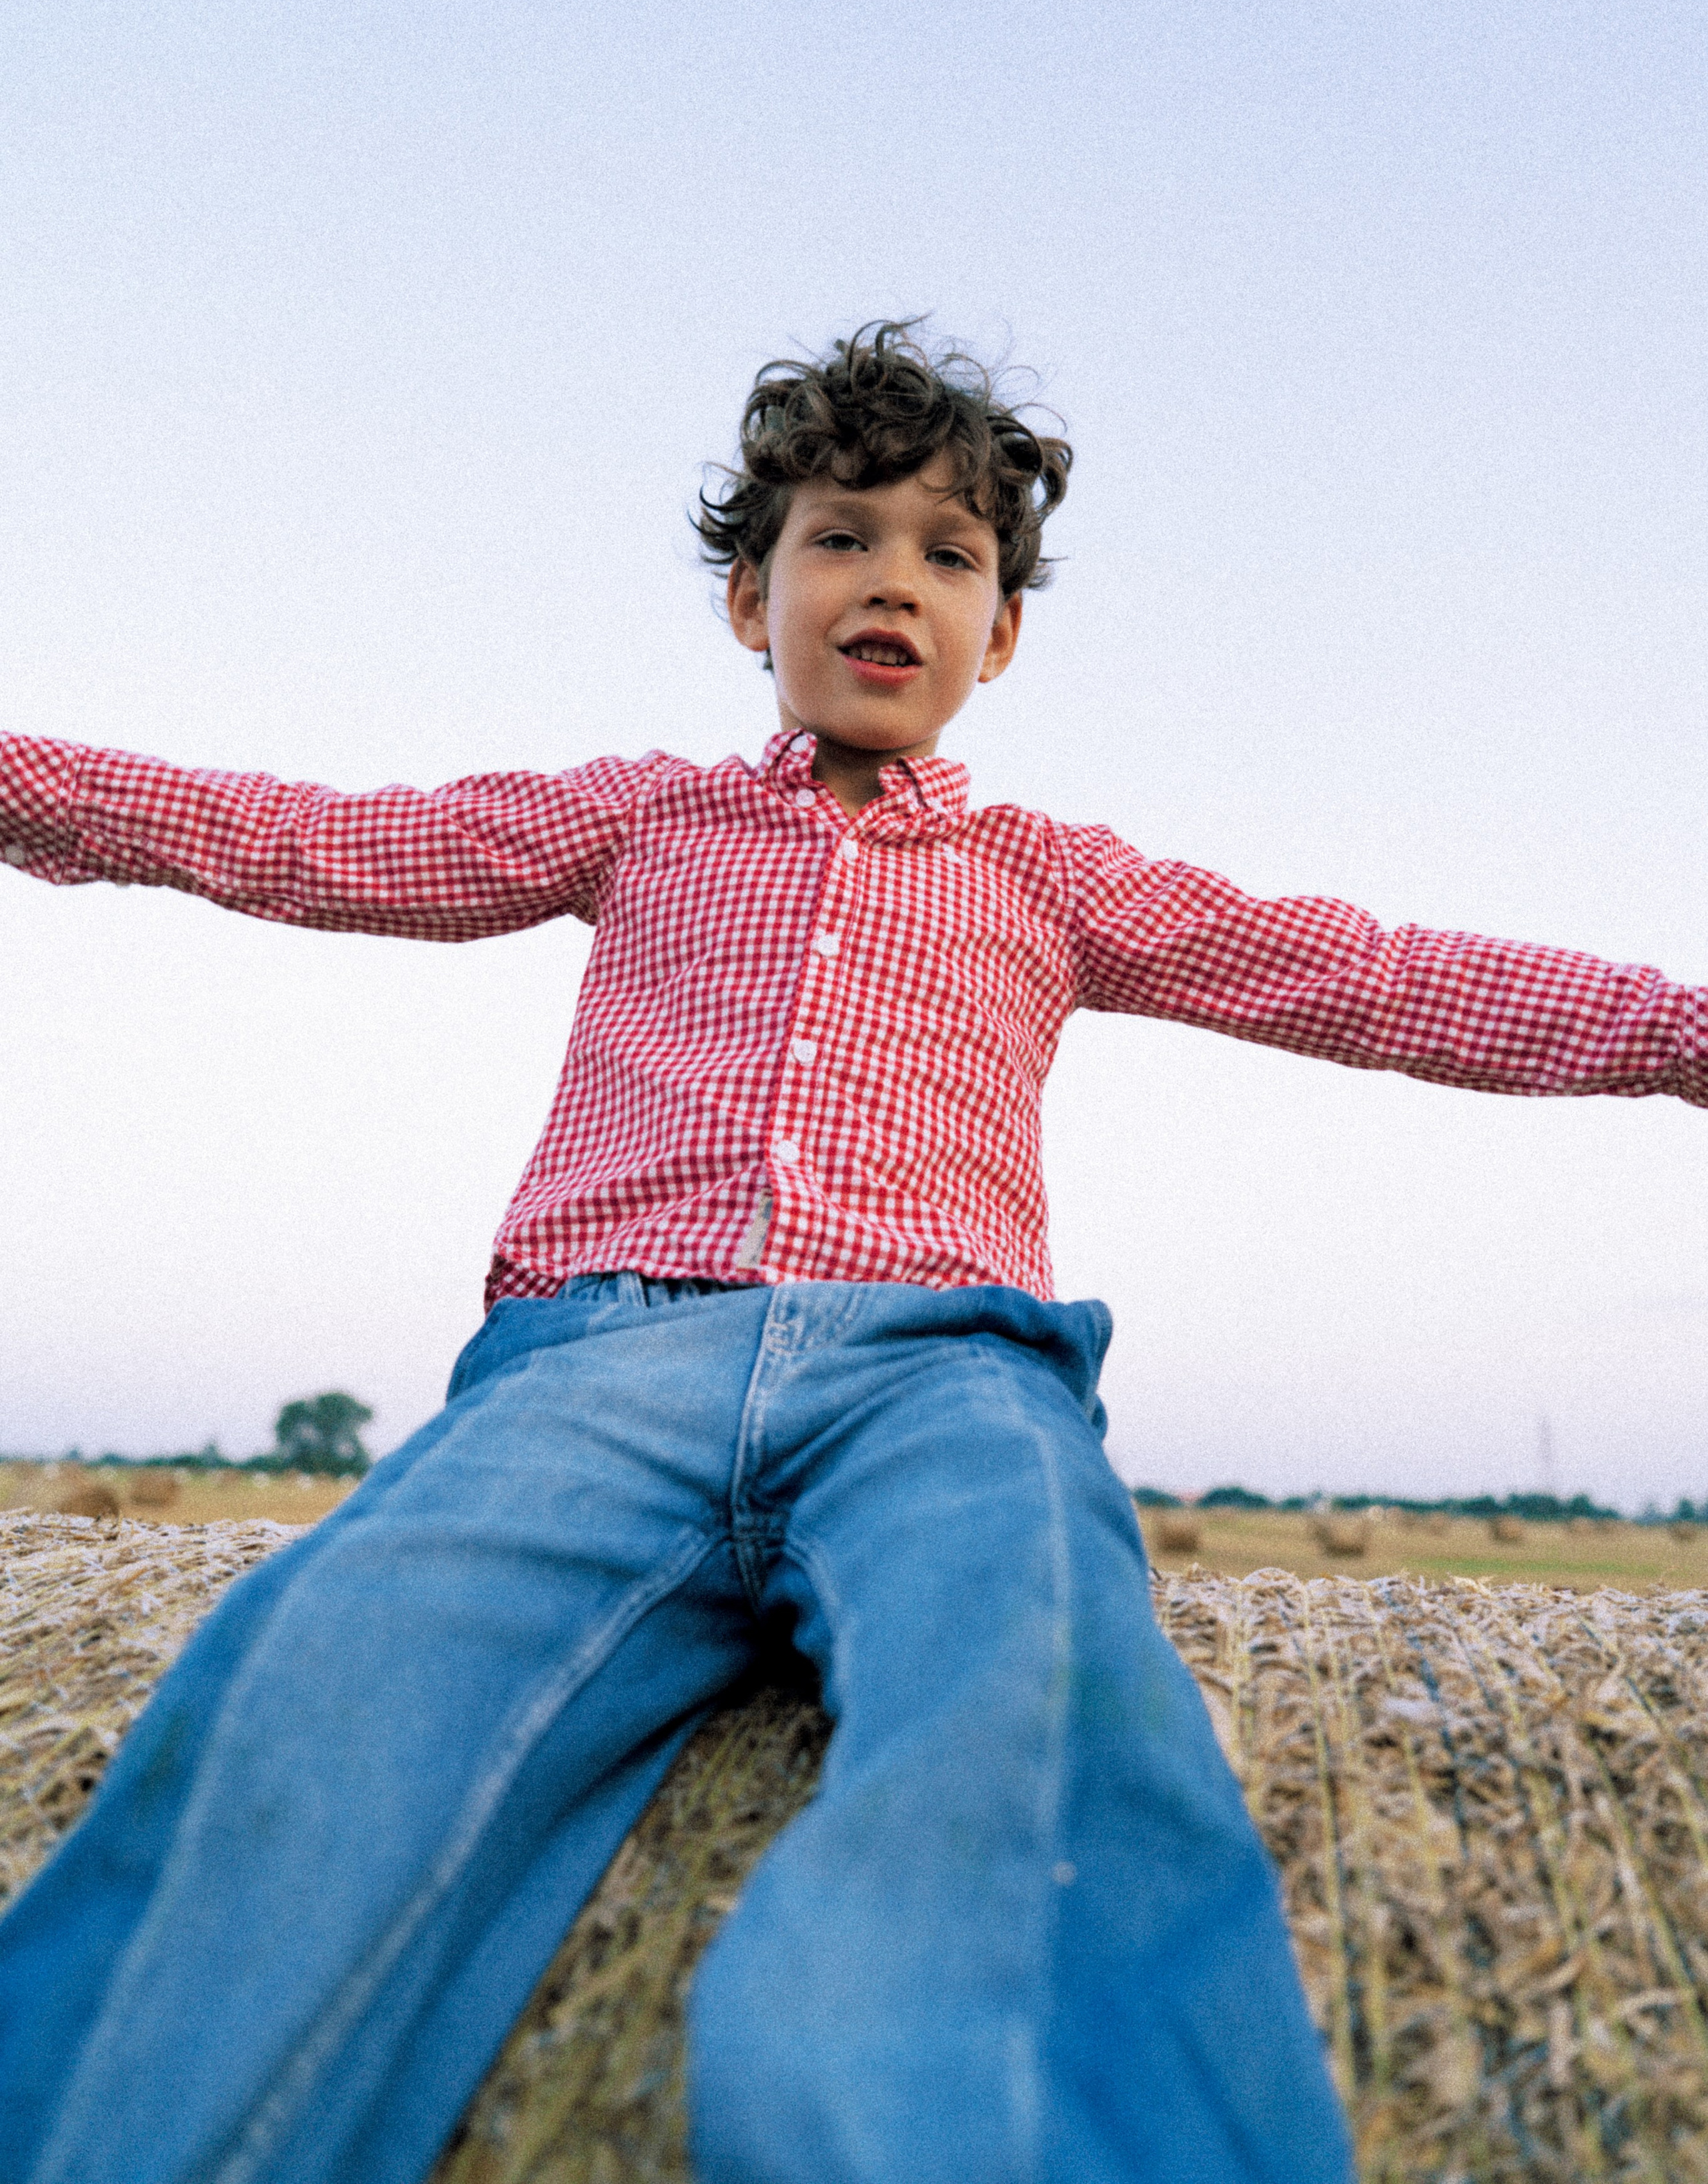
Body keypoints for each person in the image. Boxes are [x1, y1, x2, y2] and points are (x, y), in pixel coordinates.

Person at [1, 324, 1700, 2184]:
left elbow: (1375, 975)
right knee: (321, 1691)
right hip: (599, 1362)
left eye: (952, 555)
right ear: (751, 598)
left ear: (1003, 637)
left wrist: (1686, 1031)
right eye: (843, 536)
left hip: (941, 1370)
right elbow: (313, 838)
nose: (896, 576)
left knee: (1030, 1691)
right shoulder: (639, 816)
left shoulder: (1059, 879)